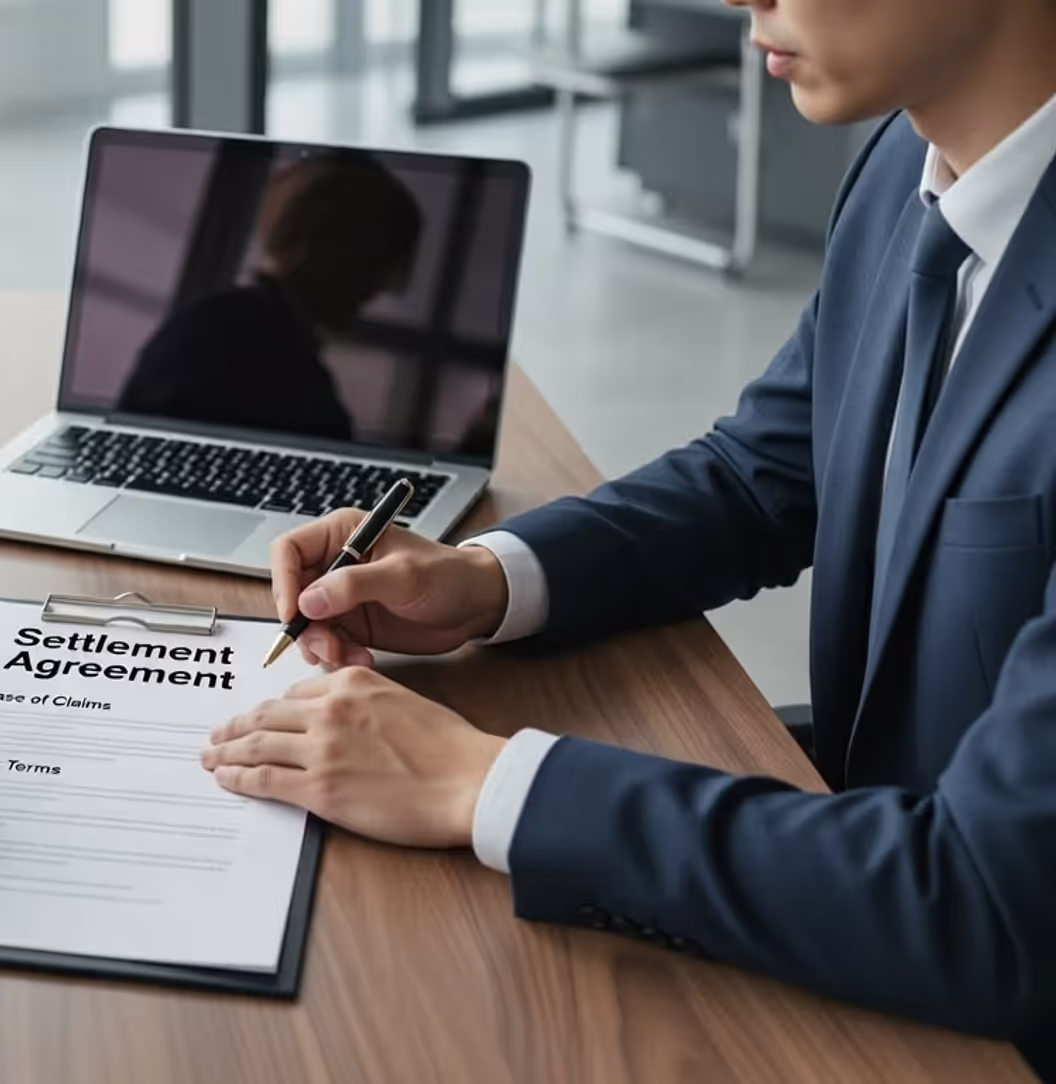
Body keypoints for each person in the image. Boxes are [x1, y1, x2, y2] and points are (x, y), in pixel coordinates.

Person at [201, 0, 1056, 1074]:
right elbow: (766, 473)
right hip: (857, 903)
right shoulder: (906, 165)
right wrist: (481, 579)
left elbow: (988, 903)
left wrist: (481, 783)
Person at [116, 154, 422, 441]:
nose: (378, 289)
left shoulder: (229, 323)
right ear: (324, 248)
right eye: (372, 262)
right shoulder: (232, 334)